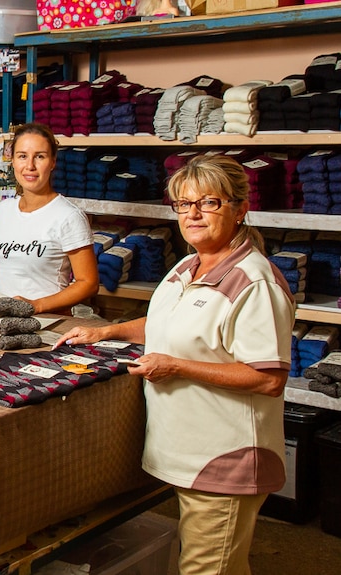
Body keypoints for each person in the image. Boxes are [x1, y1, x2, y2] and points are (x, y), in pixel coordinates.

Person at [55, 155, 296, 575]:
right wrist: (105, 333)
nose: (194, 214)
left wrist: (177, 367)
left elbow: (268, 378)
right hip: (189, 452)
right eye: (184, 204)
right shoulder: (187, 266)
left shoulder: (254, 282)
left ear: (241, 209)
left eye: (209, 203)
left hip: (225, 459)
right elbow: (166, 322)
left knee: (207, 569)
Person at [0, 122, 98, 314]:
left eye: (40, 156)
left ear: (53, 162)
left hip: (46, 323)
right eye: (22, 156)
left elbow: (88, 283)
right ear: (12, 160)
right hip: (3, 323)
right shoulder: (3, 210)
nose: (30, 166)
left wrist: (36, 305)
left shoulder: (68, 216)